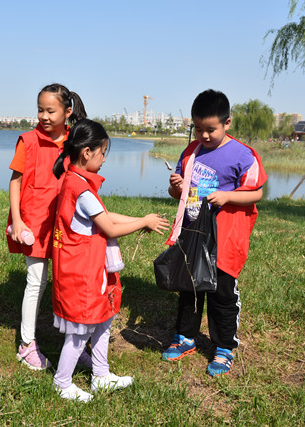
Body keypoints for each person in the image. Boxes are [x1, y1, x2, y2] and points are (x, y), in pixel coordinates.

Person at [51, 119, 170, 402]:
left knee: (104, 318)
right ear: (87, 153)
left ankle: (101, 374)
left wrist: (143, 222)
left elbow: (106, 216)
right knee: (80, 332)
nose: (104, 159)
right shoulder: (80, 189)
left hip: (87, 269)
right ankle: (62, 381)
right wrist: (142, 220)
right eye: (103, 153)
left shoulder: (75, 181)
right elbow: (110, 227)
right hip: (81, 273)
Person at [162, 89, 267, 377]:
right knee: (189, 287)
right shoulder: (191, 152)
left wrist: (227, 197)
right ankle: (185, 337)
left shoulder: (243, 156)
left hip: (226, 238)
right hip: (194, 234)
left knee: (222, 292)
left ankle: (224, 347)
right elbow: (180, 195)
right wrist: (176, 186)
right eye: (198, 129)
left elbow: (256, 193)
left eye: (211, 129)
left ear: (227, 123)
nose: (204, 136)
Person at [7, 83, 87, 370]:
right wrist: (17, 221)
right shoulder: (27, 141)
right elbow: (15, 181)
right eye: (40, 109)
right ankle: (27, 344)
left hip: (67, 226)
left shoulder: (74, 142)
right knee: (36, 283)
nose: (44, 116)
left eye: (50, 110)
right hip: (34, 225)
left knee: (69, 283)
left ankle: (75, 343)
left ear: (67, 112)